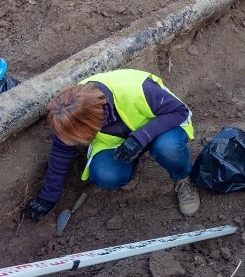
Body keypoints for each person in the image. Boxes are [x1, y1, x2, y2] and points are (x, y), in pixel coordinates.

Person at [26, 69, 200, 223]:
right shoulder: (69, 113)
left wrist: (142, 137)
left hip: (160, 129)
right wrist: (48, 196)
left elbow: (180, 111)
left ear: (94, 122)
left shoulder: (139, 90)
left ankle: (183, 179)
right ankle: (129, 167)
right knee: (105, 175)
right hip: (119, 141)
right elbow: (61, 151)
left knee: (168, 148)